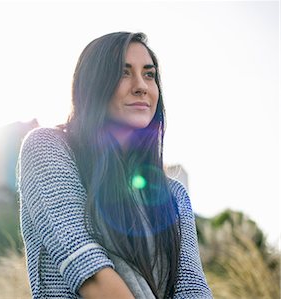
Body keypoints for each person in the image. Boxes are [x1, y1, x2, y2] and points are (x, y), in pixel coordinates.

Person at [17, 32, 212, 299]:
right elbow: (86, 269)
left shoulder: (175, 196)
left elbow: (193, 290)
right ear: (94, 84)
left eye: (149, 74)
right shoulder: (47, 148)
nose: (141, 86)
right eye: (124, 73)